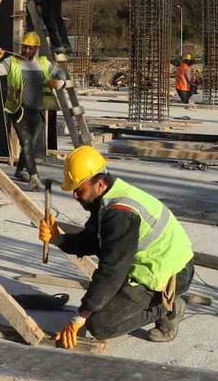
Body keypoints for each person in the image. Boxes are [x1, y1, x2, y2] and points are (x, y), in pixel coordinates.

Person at [38, 146, 195, 347]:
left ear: (100, 184)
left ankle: (169, 307)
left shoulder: (120, 212)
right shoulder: (106, 199)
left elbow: (112, 270)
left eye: (79, 189)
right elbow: (92, 241)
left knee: (100, 324)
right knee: (102, 300)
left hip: (172, 273)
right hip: (151, 264)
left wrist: (80, 316)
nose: (75, 196)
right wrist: (58, 238)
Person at [0, 32, 64, 190]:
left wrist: (59, 82)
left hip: (37, 110)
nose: (26, 50)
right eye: (24, 47)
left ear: (36, 48)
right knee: (27, 142)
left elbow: (60, 72)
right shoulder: (12, 62)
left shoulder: (43, 63)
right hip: (17, 109)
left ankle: (19, 170)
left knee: (31, 143)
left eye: (30, 48)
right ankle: (34, 176)